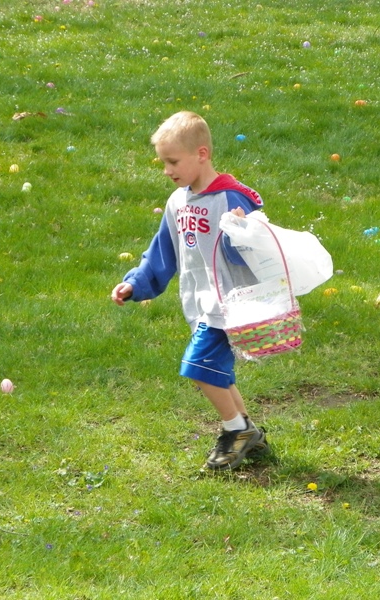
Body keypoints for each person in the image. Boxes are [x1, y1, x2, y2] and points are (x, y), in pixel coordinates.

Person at [110, 111, 269, 471]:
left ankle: (235, 429)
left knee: (198, 368)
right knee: (216, 372)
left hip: (231, 304)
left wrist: (243, 232)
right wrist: (136, 282)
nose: (167, 170)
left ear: (202, 154)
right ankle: (247, 430)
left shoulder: (231, 198)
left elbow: (260, 246)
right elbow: (163, 250)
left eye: (173, 161)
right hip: (200, 303)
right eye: (163, 162)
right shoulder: (177, 203)